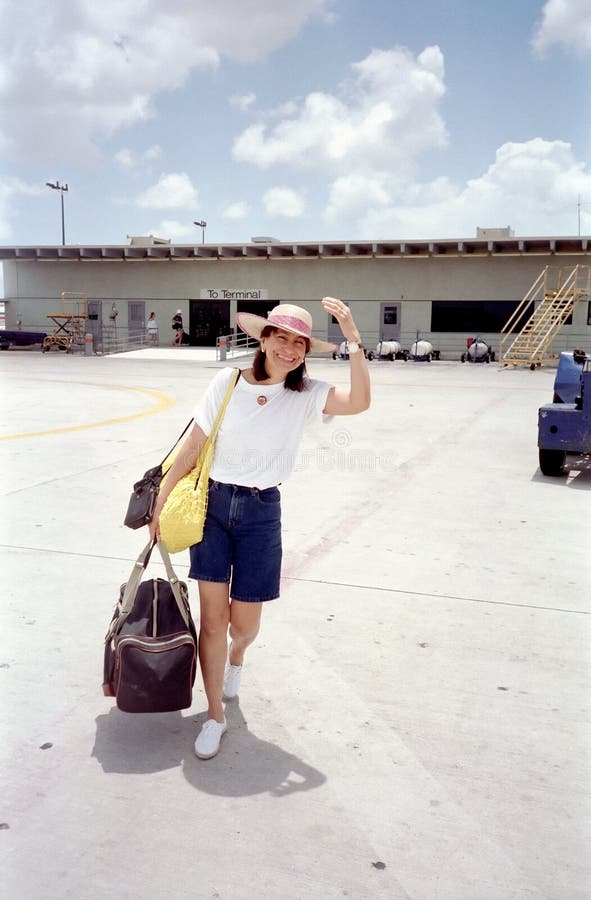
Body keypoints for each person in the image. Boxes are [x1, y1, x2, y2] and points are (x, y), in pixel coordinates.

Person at [149, 298, 370, 759]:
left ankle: (238, 658)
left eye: (299, 343)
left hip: (262, 512)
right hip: (213, 506)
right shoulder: (227, 382)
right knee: (213, 619)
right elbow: (194, 443)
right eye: (282, 337)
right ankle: (214, 716)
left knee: (243, 625)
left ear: (306, 351)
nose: (290, 349)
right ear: (263, 339)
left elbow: (360, 402)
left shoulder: (307, 393)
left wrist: (351, 338)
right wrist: (161, 498)